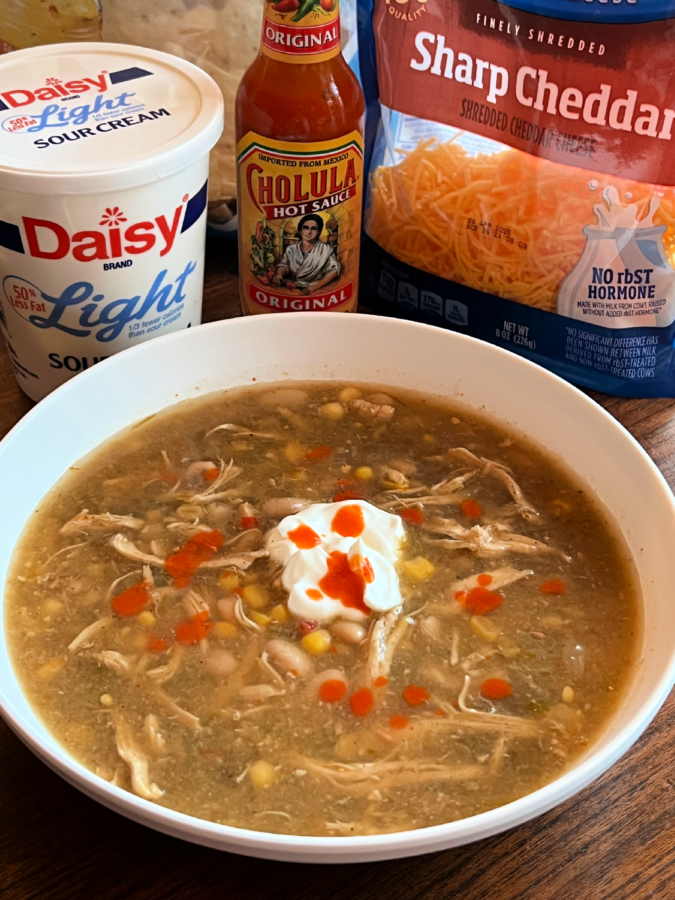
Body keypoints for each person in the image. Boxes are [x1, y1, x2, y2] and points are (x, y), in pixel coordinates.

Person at [272, 213, 340, 294]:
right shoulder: (291, 249)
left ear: (318, 231)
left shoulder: (326, 249)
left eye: (313, 228)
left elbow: (334, 271)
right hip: (293, 287)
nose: (309, 232)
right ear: (300, 230)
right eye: (305, 228)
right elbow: (283, 265)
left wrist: (315, 287)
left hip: (317, 288)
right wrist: (279, 275)